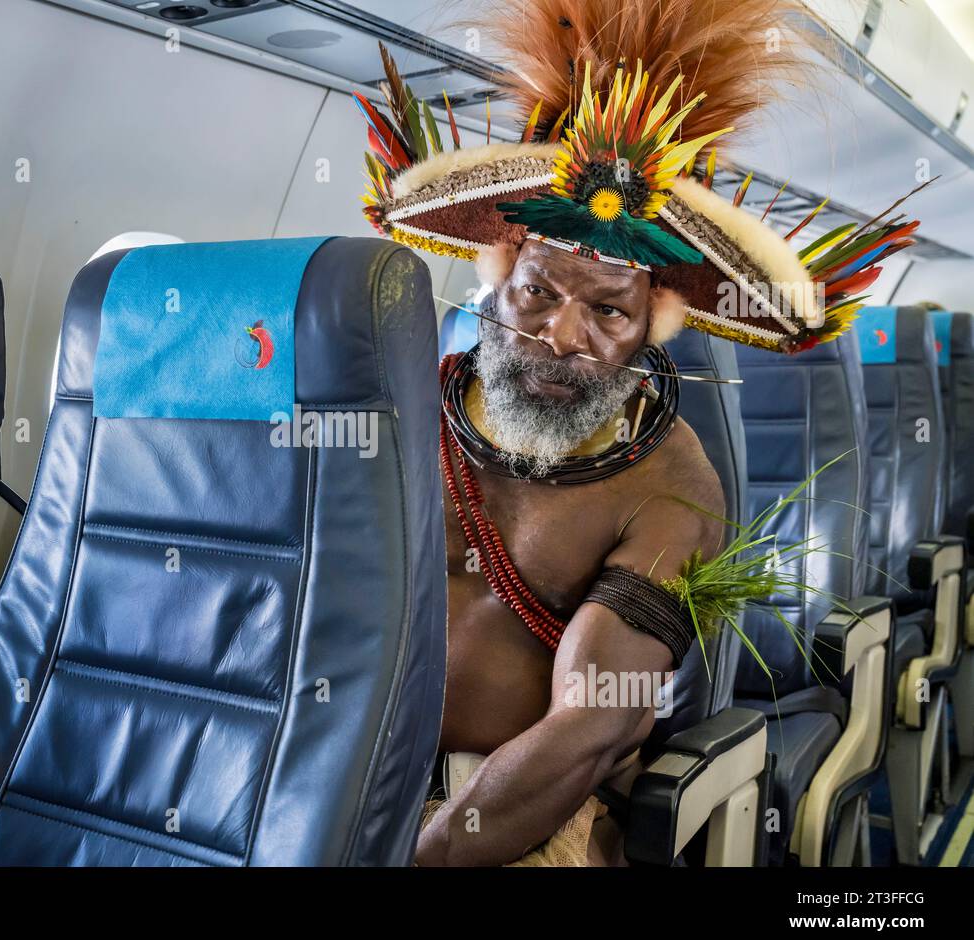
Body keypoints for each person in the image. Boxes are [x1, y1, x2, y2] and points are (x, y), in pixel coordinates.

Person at [353, 0, 924, 866]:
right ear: (497, 281)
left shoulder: (672, 491)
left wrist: (421, 853)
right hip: (345, 765)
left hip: (519, 809)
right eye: (539, 294)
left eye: (608, 310)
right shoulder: (404, 411)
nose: (564, 336)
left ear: (653, 325)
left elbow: (590, 727)